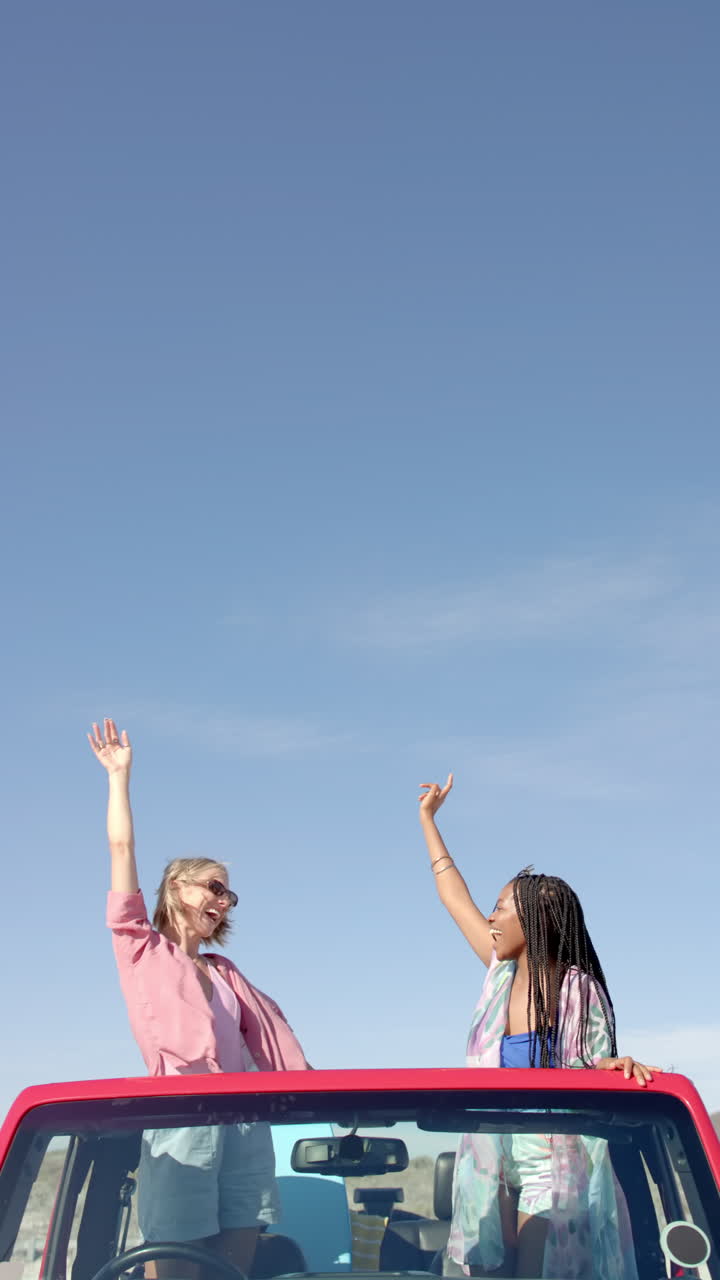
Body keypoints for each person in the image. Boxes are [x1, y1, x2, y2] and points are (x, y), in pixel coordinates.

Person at [90, 718, 310, 1279]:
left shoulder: (226, 972)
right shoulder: (140, 946)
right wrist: (119, 777)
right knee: (176, 1267)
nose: (223, 901)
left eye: (228, 893)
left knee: (233, 1268)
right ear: (175, 888)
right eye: (213, 886)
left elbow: (274, 1048)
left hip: (243, 1123)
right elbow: (121, 846)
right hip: (183, 1116)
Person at [419, 774, 657, 1280]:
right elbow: (452, 896)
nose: (490, 916)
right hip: (494, 1158)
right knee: (488, 1270)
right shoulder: (499, 975)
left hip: (553, 1166)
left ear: (535, 920)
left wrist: (614, 1066)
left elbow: (591, 1066)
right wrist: (428, 821)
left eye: (501, 908)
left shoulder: (576, 989)